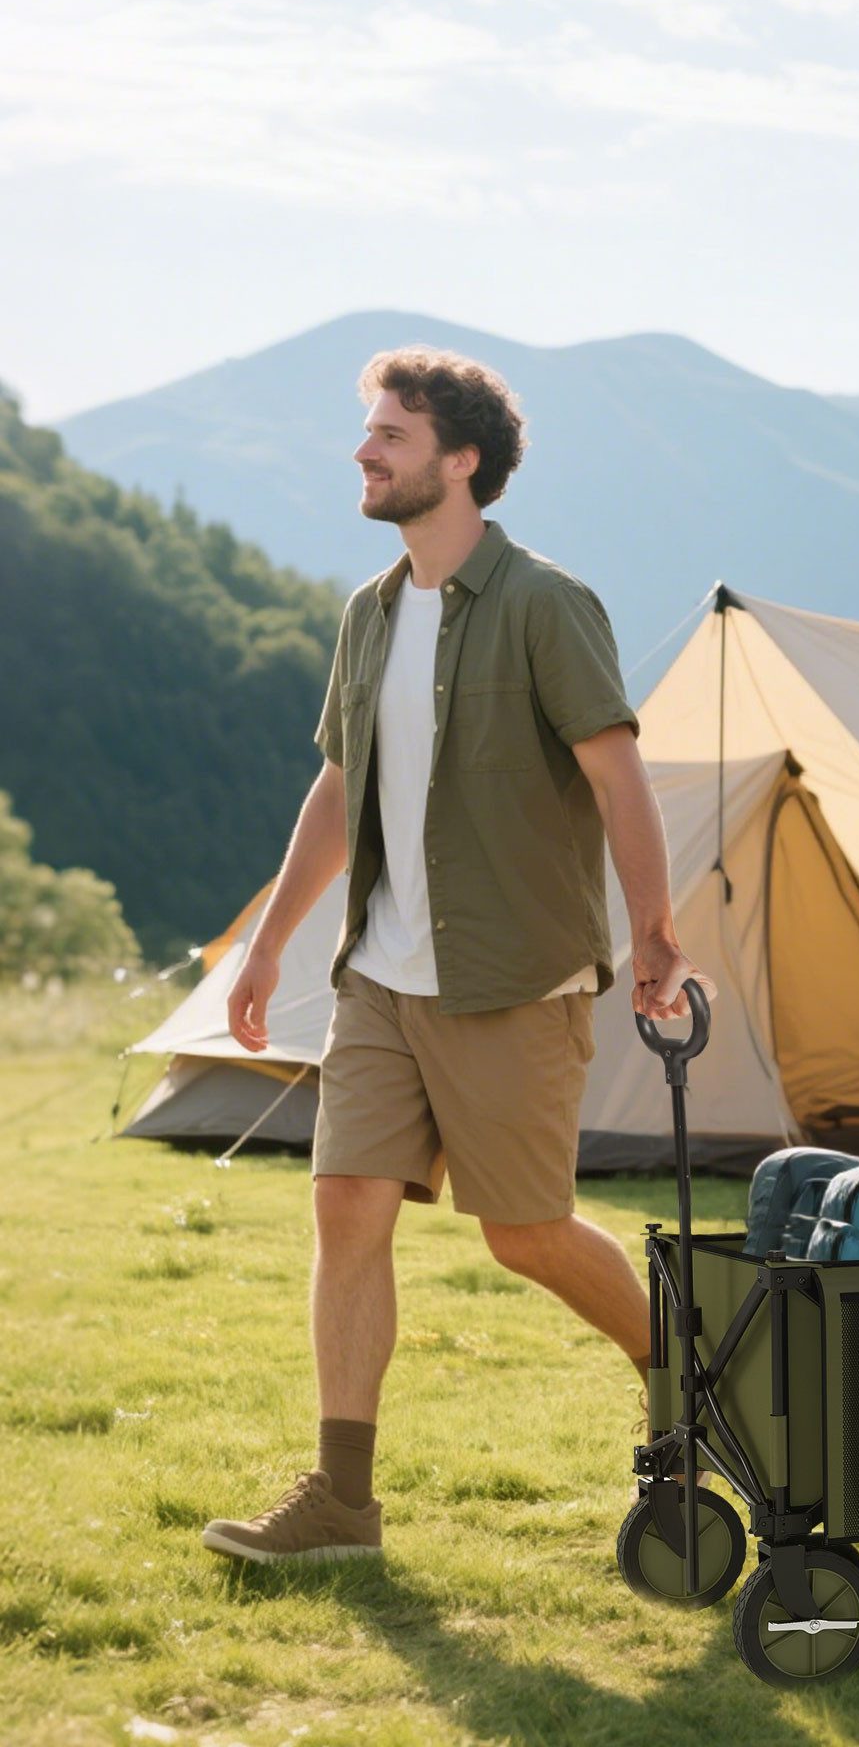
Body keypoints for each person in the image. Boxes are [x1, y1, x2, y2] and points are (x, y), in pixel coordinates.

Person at [200, 347, 705, 1565]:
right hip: (381, 977)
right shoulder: (368, 613)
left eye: (390, 435)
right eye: (367, 433)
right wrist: (268, 945)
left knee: (523, 1232)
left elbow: (615, 773)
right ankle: (342, 1504)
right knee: (345, 1207)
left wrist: (651, 929)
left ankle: (689, 1374)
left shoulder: (543, 602)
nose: (365, 452)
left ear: (461, 458)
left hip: (511, 979)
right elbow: (339, 786)